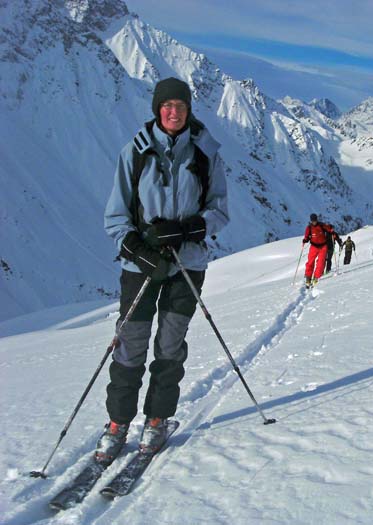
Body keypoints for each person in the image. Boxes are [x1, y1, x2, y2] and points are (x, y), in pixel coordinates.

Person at [99, 77, 229, 460]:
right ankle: (118, 423)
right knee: (130, 345)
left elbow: (219, 210)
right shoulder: (135, 152)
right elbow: (115, 216)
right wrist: (139, 251)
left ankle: (157, 420)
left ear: (189, 111)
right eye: (167, 105)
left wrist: (189, 228)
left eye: (181, 106)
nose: (174, 112)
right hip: (140, 267)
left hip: (186, 265)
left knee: (170, 346)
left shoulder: (205, 154)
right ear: (157, 109)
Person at [302, 214, 336, 287]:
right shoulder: (309, 228)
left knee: (321, 263)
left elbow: (329, 229)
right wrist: (305, 240)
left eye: (315, 220)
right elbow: (306, 236)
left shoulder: (321, 225)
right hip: (314, 246)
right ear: (311, 221)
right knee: (310, 262)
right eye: (312, 221)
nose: (314, 222)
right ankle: (308, 278)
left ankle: (316, 277)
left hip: (323, 246)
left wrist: (332, 231)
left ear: (317, 219)